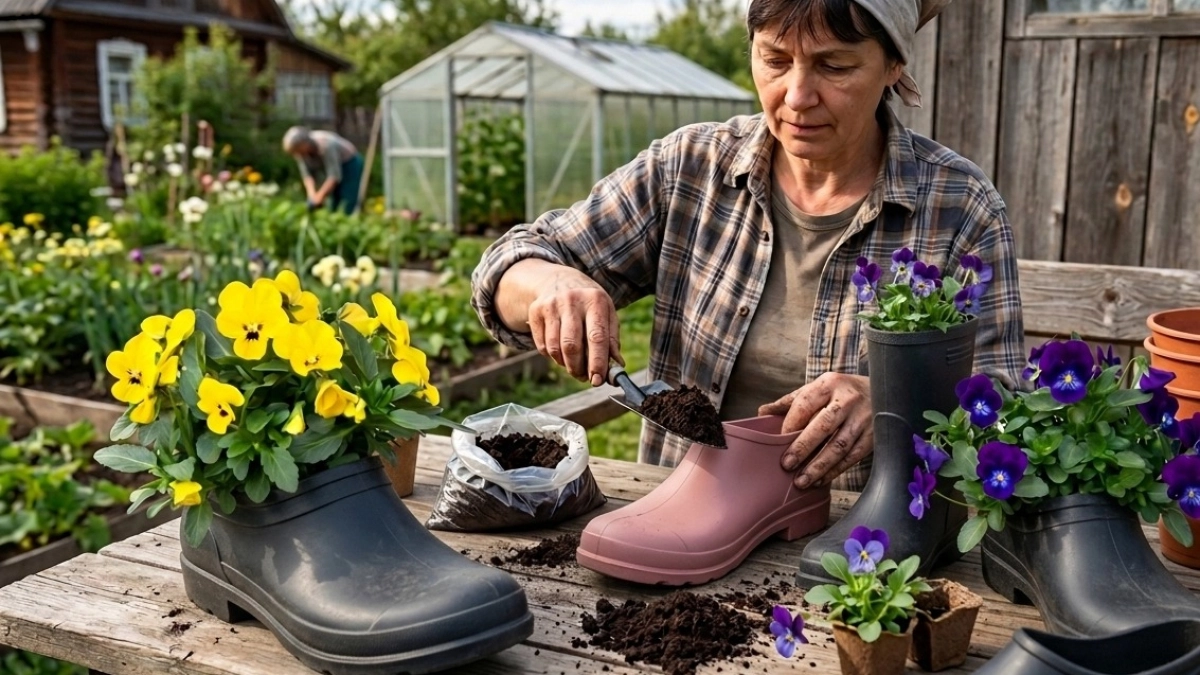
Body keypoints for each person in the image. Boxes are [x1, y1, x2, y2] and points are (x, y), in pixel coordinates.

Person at [470, 0, 1025, 493]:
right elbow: (507, 267)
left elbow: (1007, 399)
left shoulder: (959, 207)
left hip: (857, 542)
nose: (797, 96)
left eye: (835, 65)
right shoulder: (690, 169)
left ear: (893, 66)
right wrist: (550, 281)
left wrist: (891, 400)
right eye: (775, 60)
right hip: (680, 511)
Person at [282, 126, 363, 215]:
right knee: (332, 199)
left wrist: (320, 195)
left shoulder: (326, 145)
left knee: (348, 198)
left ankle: (349, 219)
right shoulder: (301, 153)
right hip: (328, 165)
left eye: (298, 150)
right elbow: (307, 175)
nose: (297, 154)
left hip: (349, 162)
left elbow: (334, 176)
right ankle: (333, 220)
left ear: (304, 144)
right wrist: (312, 195)